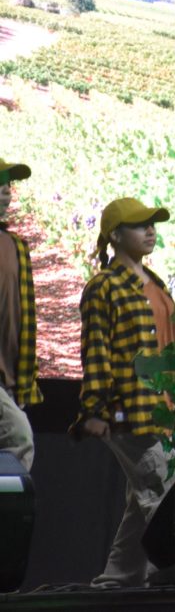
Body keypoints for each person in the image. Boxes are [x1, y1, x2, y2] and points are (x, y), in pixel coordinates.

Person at [76, 197, 175, 588]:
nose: (150, 231)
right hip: (127, 410)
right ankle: (171, 574)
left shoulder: (157, 285)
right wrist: (94, 409)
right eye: (139, 225)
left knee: (144, 497)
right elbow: (96, 351)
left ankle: (118, 578)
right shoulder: (103, 287)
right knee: (161, 488)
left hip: (162, 408)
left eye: (152, 224)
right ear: (115, 235)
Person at [0, 160, 41, 472]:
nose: (6, 191)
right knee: (19, 438)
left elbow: (24, 319)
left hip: (6, 379)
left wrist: (20, 381)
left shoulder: (15, 246)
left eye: (8, 184)